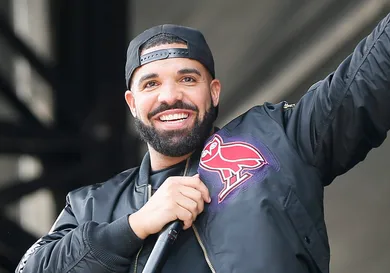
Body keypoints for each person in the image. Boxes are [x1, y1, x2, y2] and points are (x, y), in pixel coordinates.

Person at [15, 12, 390, 273]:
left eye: (188, 79)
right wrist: (134, 225)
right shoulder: (90, 206)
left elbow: (363, 83)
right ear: (131, 104)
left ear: (213, 92)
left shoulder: (278, 136)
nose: (171, 96)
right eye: (151, 84)